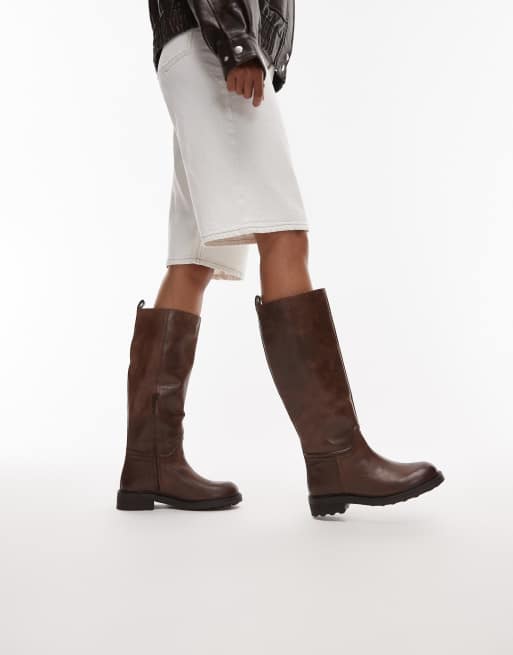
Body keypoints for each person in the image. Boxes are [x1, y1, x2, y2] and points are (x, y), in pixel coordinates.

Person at [116, 0, 444, 517]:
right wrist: (238, 44)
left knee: (194, 258)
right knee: (284, 234)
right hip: (214, 41)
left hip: (197, 44)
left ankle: (150, 463)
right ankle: (337, 457)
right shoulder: (225, 44)